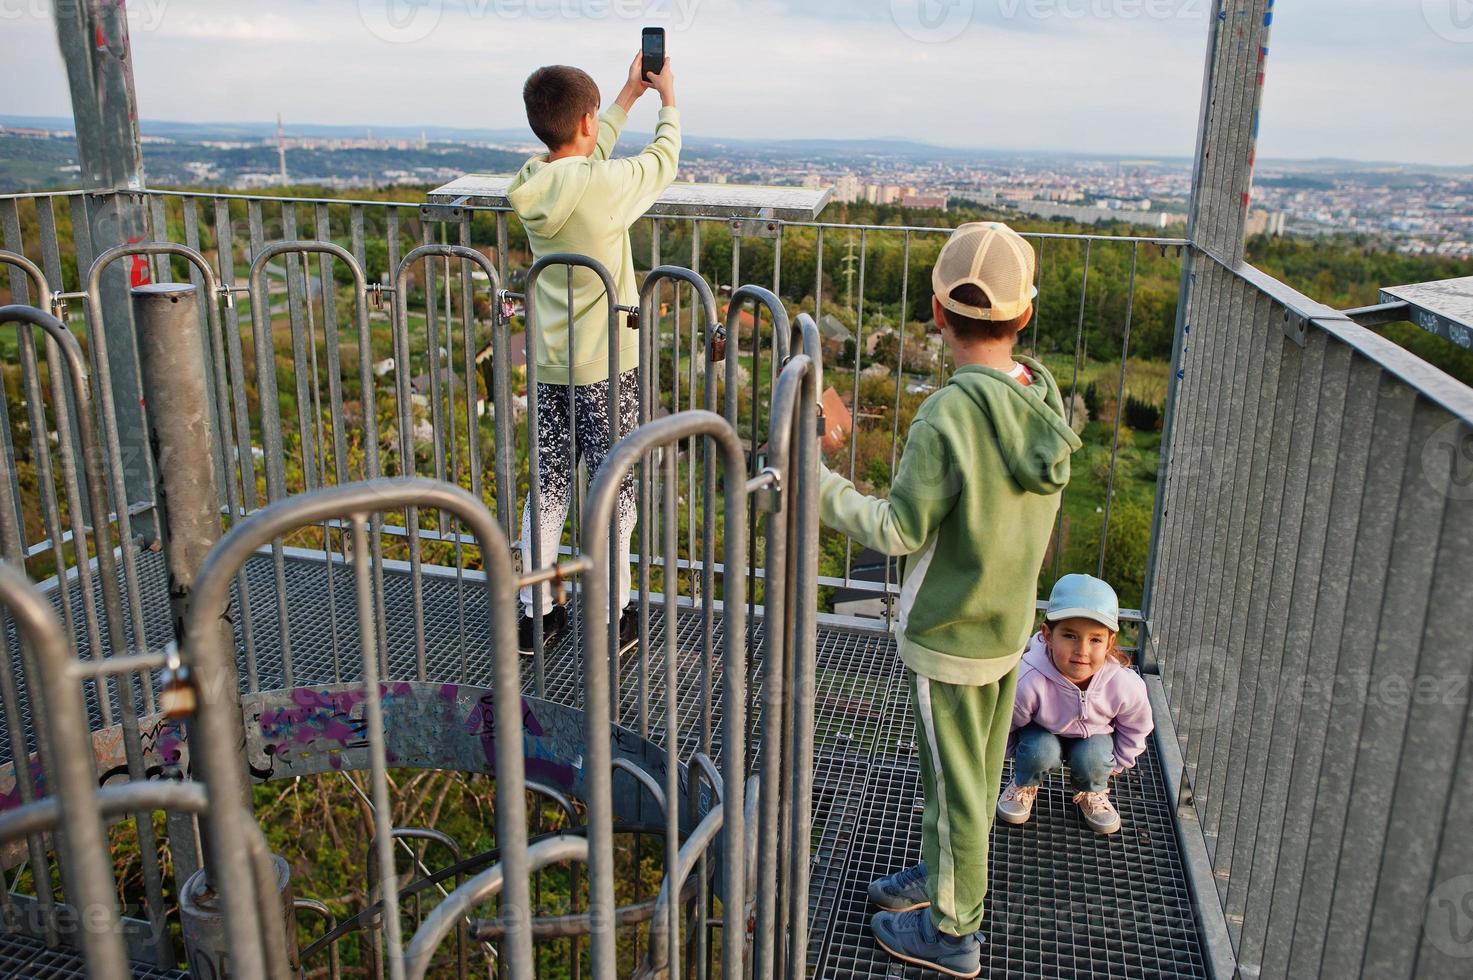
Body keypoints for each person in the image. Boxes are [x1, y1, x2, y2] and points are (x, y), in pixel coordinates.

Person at [819, 222, 1082, 978]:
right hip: (1005, 630)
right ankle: (938, 878)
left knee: (959, 788)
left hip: (948, 638)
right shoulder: (1041, 401)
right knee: (958, 776)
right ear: (1023, 316)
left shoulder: (948, 414)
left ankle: (953, 930)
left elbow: (897, 530)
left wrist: (819, 482)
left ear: (936, 314)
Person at [507, 53, 678, 653]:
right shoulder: (603, 188)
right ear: (586, 119)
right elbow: (663, 163)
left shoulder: (533, 181)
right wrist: (668, 103)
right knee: (616, 490)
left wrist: (625, 98)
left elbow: (583, 162)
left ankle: (534, 616)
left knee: (548, 487)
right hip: (608, 367)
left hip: (551, 365)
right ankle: (614, 613)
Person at [997, 573, 1154, 835]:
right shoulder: (1029, 679)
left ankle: (1091, 789)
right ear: (1048, 634)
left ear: (1110, 642)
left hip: (1094, 736)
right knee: (1039, 750)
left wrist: (1118, 764)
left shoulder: (1123, 684)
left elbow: (1137, 725)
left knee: (1093, 758)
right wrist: (1012, 753)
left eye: (1095, 639)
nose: (1082, 649)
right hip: (1041, 732)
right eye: (1070, 636)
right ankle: (1024, 783)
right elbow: (1006, 722)